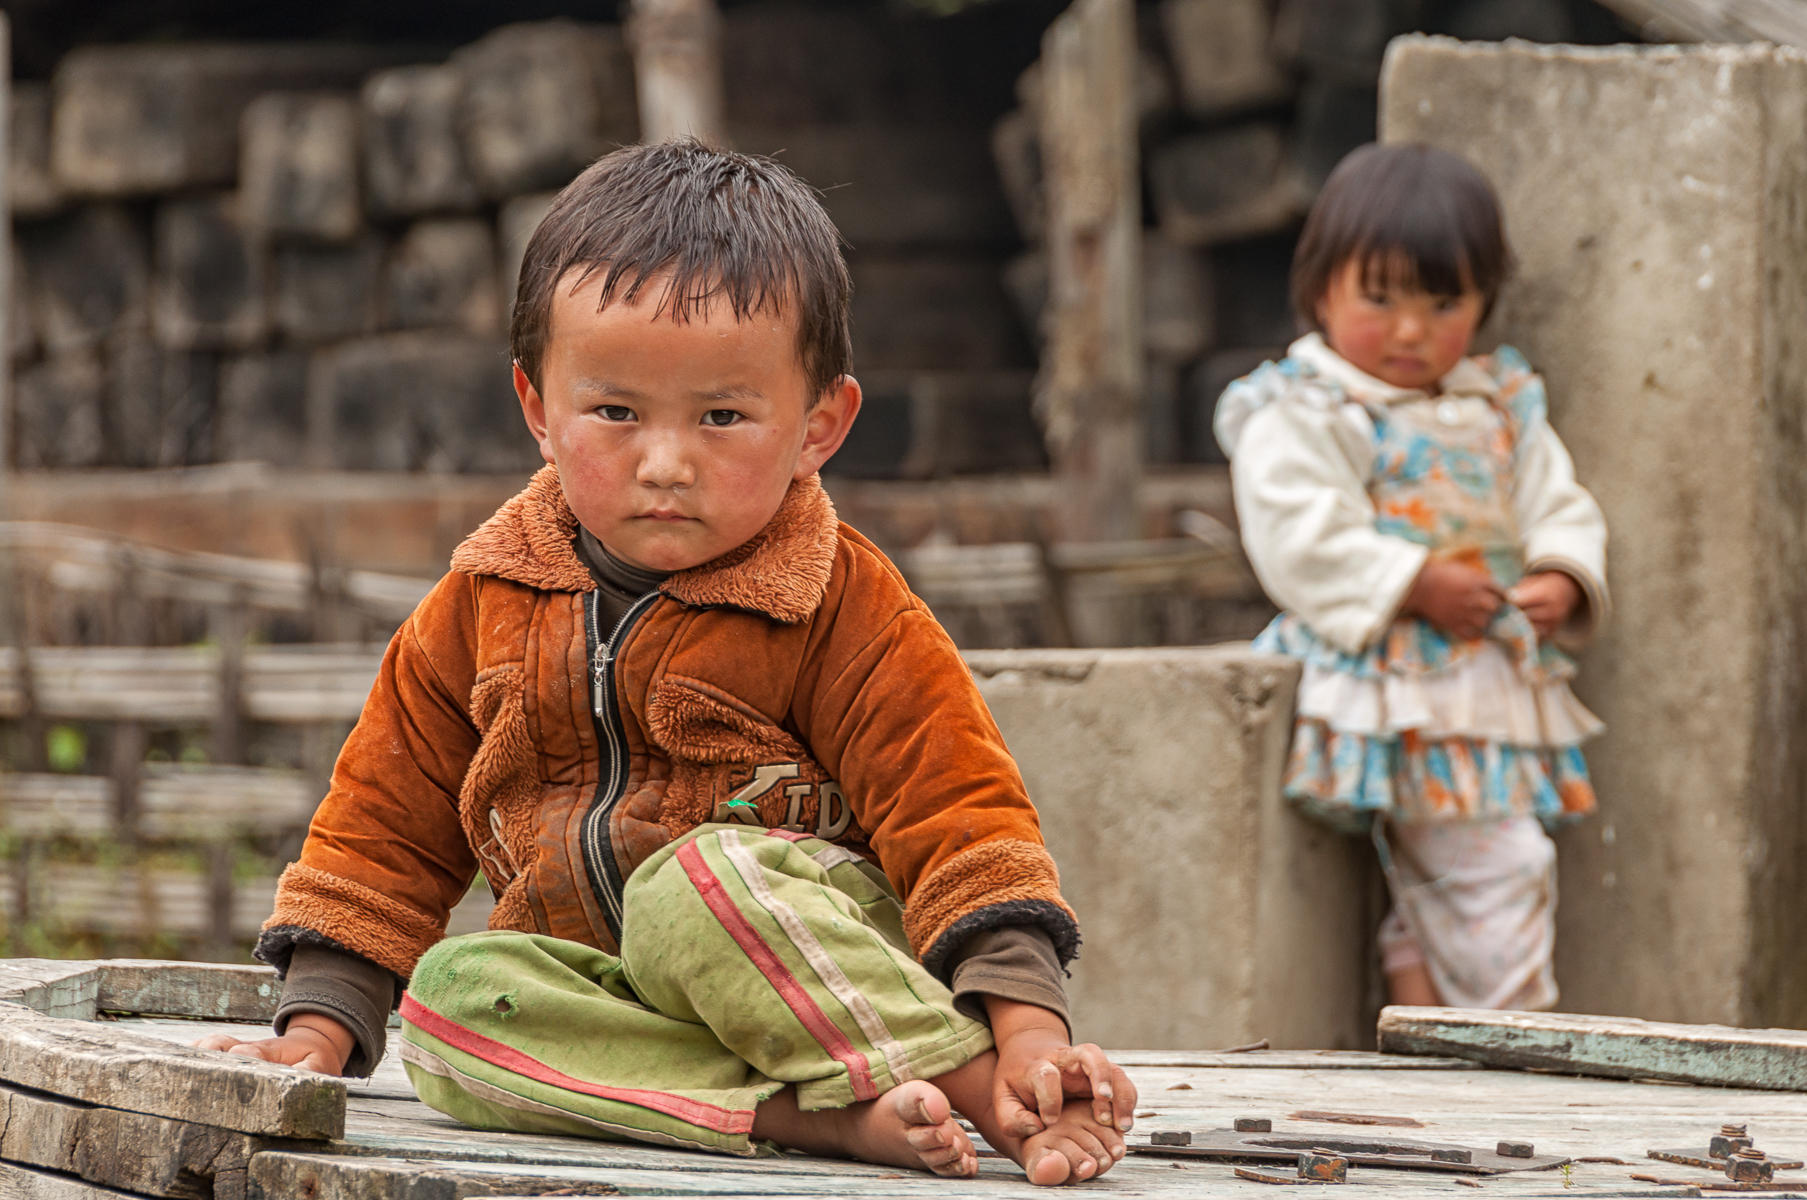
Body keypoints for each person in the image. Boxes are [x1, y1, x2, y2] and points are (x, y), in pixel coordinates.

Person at [197, 139, 1135, 1185]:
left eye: (723, 417)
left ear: (820, 423)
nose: (666, 463)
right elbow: (382, 827)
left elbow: (961, 818)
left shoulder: (842, 606)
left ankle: (981, 1094)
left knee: (692, 887)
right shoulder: (478, 606)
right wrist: (314, 1038)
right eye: (615, 412)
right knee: (454, 1000)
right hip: (618, 1004)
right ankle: (800, 1118)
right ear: (536, 409)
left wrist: (1027, 1036)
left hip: (804, 957)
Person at [1215, 143, 1608, 1011]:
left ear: (1482, 301)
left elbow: (1557, 499)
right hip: (1386, 684)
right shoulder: (1308, 406)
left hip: (1478, 690)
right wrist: (1410, 582)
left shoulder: (1497, 405)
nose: (1408, 331)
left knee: (1442, 871)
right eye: (1379, 298)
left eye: (1443, 303)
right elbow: (1293, 528)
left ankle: (1425, 1006)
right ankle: (1513, 1026)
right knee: (1501, 863)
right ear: (1320, 288)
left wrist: (1562, 574)